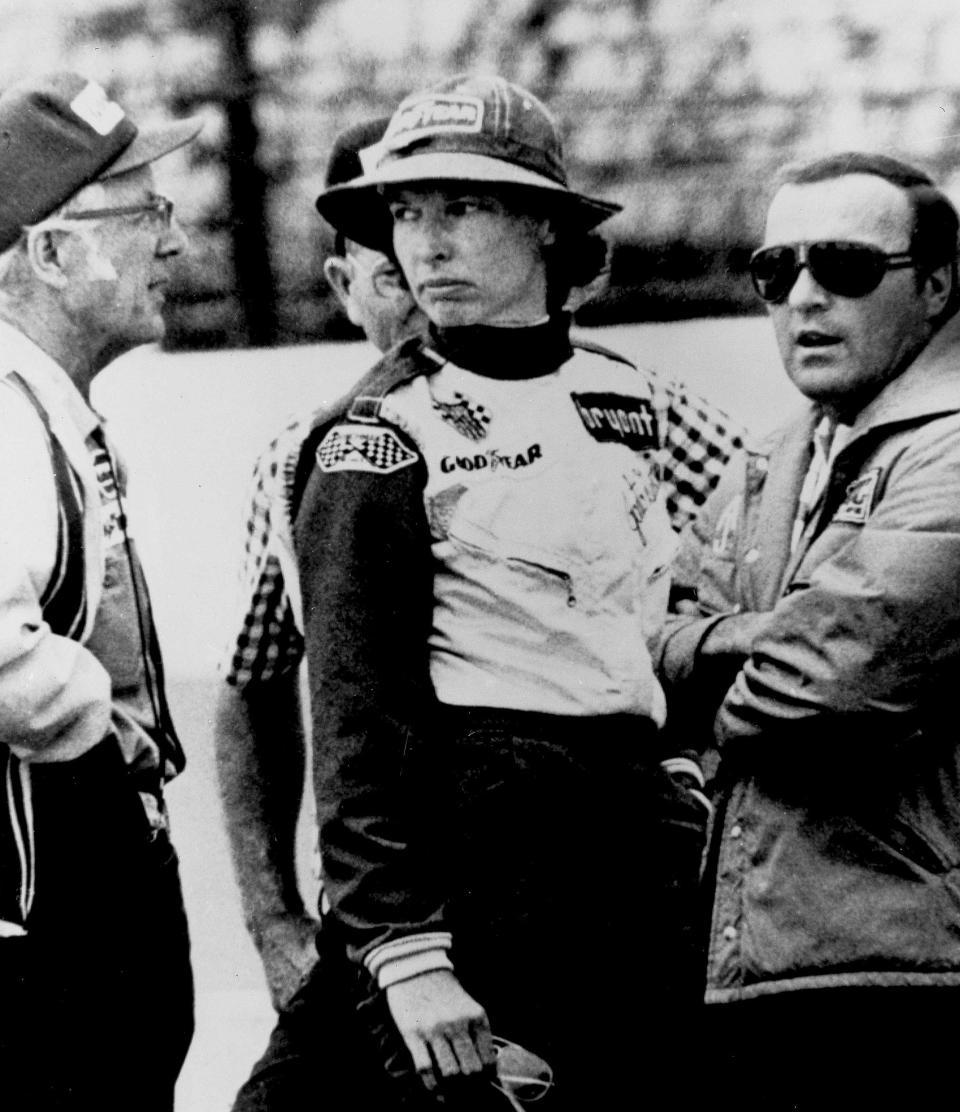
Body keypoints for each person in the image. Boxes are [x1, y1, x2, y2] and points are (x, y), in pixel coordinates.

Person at [283, 73, 744, 1111]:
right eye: (405, 213)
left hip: (634, 855)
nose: (428, 244)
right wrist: (404, 948)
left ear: (543, 225)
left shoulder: (622, 393)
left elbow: (649, 614)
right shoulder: (377, 429)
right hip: (479, 855)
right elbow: (357, 716)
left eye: (463, 206)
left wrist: (678, 763)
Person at [656, 152, 960, 1110]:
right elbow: (648, 656)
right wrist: (759, 635)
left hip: (914, 971)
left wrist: (721, 652)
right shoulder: (769, 457)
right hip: (768, 962)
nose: (805, 298)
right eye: (776, 272)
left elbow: (826, 685)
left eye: (847, 268)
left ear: (941, 284)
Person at [0, 72, 201, 1110]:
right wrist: (100, 736)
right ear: (49, 251)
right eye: (146, 214)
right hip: (40, 937)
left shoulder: (43, 401)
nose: (174, 244)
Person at [215, 116, 427, 1017]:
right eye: (395, 270)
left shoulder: (636, 415)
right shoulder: (302, 457)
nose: (434, 282)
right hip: (383, 932)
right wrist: (274, 922)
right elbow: (252, 682)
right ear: (345, 286)